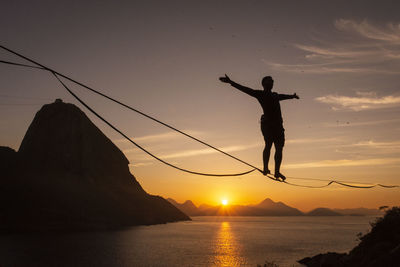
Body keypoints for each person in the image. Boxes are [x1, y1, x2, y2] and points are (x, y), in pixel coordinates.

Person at [219, 74, 299, 180]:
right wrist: (231, 82)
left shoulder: (275, 95)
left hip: (279, 126)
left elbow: (283, 96)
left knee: (279, 148)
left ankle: (277, 172)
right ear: (264, 84)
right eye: (269, 81)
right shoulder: (260, 94)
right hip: (268, 125)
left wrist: (292, 96)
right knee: (268, 145)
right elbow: (246, 90)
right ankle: (265, 168)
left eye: (272, 81)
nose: (271, 82)